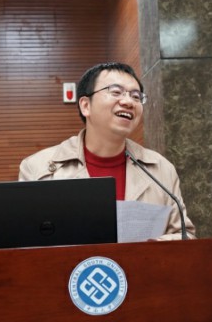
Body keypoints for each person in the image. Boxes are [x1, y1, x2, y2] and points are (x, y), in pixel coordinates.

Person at [19, 62, 195, 240]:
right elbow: (23, 243)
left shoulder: (161, 169)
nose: (128, 102)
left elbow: (185, 236)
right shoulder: (37, 168)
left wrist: (146, 249)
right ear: (86, 106)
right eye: (116, 92)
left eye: (136, 96)